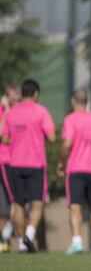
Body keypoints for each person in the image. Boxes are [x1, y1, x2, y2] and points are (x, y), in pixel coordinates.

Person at [2, 79, 56, 252]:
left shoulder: (11, 113)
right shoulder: (41, 111)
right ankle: (29, 237)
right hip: (35, 164)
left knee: (17, 203)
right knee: (37, 203)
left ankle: (21, 243)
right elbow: (52, 137)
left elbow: (4, 138)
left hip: (15, 163)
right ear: (36, 94)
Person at [57, 89, 91, 256]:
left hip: (76, 169)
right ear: (86, 102)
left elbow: (67, 143)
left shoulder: (70, 119)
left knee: (75, 207)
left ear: (73, 101)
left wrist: (61, 162)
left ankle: (77, 242)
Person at [0, 84, 21, 252]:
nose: (15, 98)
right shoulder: (4, 111)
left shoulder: (21, 111)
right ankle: (5, 237)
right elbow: (2, 135)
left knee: (18, 201)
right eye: (12, 95)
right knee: (15, 200)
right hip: (6, 160)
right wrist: (6, 112)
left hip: (21, 160)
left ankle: (6, 237)